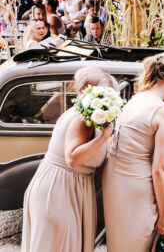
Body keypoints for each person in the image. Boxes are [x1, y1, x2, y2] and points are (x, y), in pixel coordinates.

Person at [21, 67, 117, 252]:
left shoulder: (81, 112)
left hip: (63, 186)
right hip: (61, 190)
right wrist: (103, 138)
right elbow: (72, 158)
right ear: (89, 90)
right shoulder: (82, 117)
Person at [102, 52, 164, 252]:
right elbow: (160, 169)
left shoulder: (135, 100)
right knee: (157, 237)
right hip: (138, 183)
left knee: (123, 240)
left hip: (114, 180)